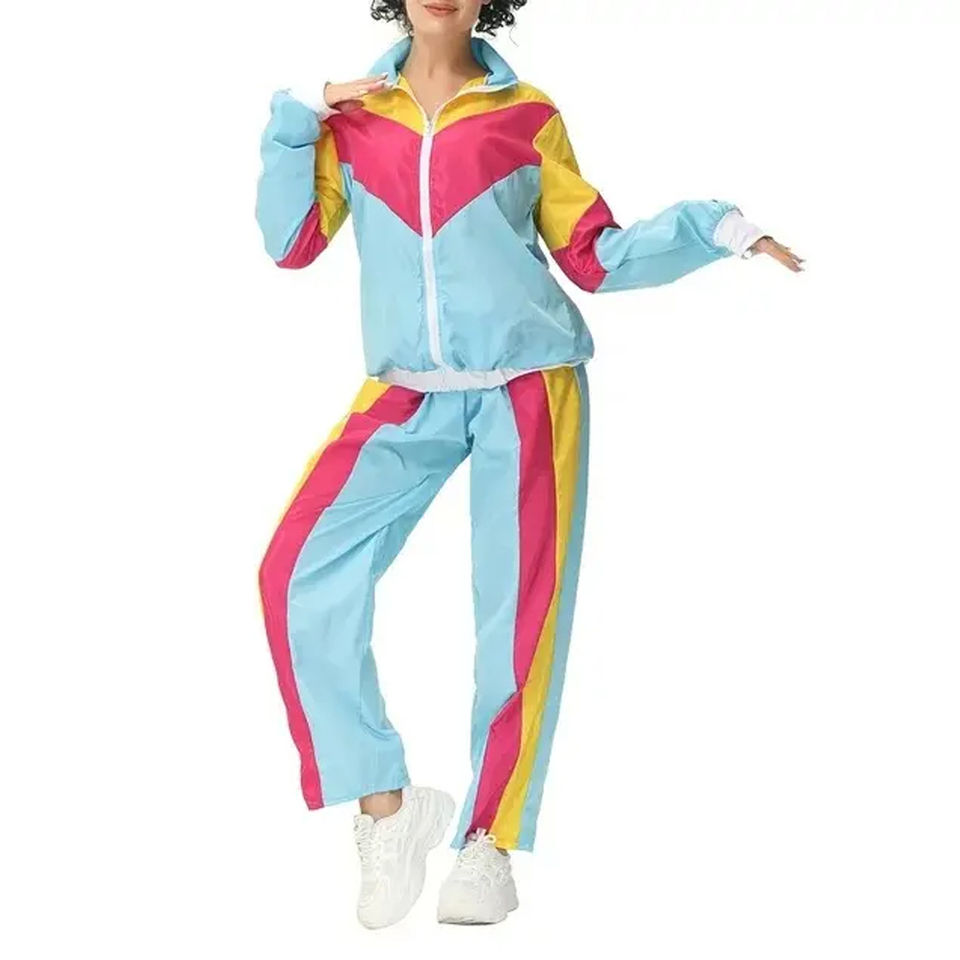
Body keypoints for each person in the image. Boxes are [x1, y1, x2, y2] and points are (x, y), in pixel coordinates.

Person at [255, 0, 802, 930]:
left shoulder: (526, 115)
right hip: (408, 387)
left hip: (529, 383)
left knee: (518, 621)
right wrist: (300, 117)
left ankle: (489, 841)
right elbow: (291, 242)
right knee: (294, 572)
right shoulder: (352, 122)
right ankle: (386, 805)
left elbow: (592, 256)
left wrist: (715, 228)